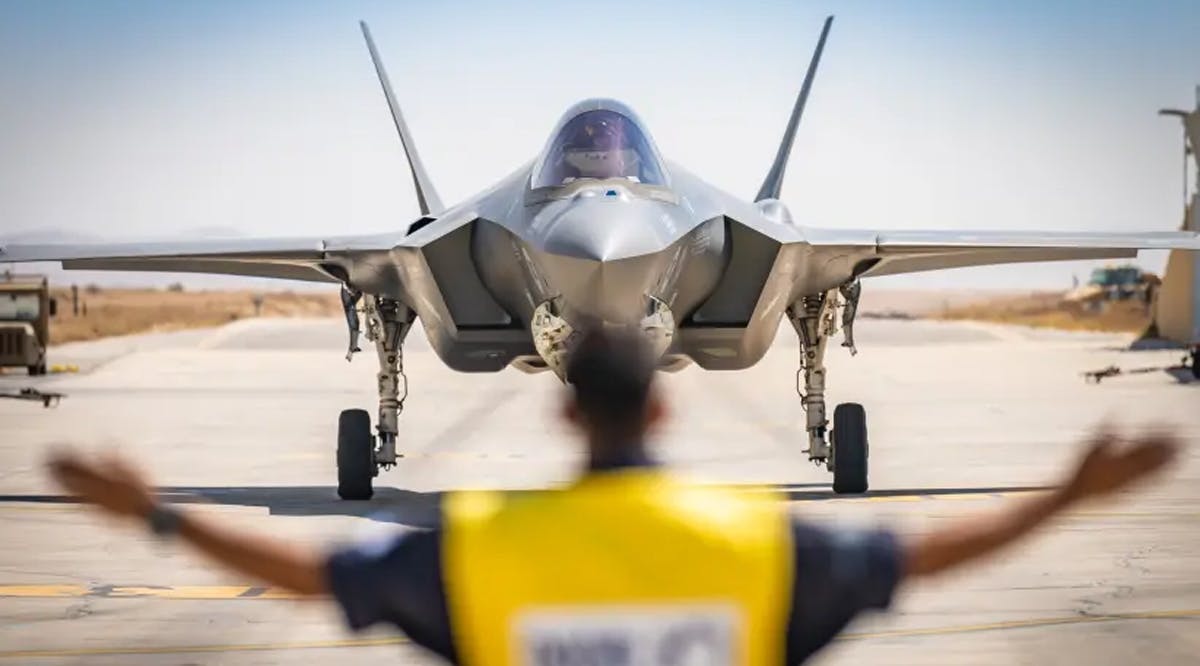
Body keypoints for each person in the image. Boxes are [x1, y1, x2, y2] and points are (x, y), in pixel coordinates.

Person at [48, 329, 1179, 665]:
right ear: (668, 406)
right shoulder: (756, 546)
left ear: (559, 408)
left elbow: (318, 577)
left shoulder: (480, 548)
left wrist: (154, 511)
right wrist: (1067, 498)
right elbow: (920, 557)